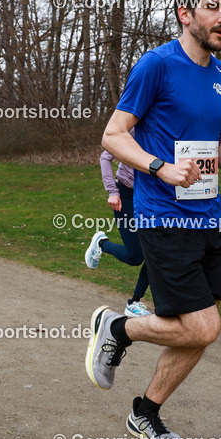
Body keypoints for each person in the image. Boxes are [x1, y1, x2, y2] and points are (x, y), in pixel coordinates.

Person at [86, 0, 221, 439]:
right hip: (162, 216)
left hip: (210, 217)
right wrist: (161, 167)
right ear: (185, 13)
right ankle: (119, 328)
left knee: (198, 328)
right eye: (213, 6)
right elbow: (113, 135)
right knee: (204, 327)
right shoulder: (157, 64)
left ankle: (145, 412)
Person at [84, 130, 152, 317]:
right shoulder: (133, 129)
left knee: (156, 251)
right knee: (135, 257)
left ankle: (134, 302)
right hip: (127, 194)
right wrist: (112, 191)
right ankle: (101, 244)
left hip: (152, 198)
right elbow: (105, 158)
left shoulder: (167, 130)